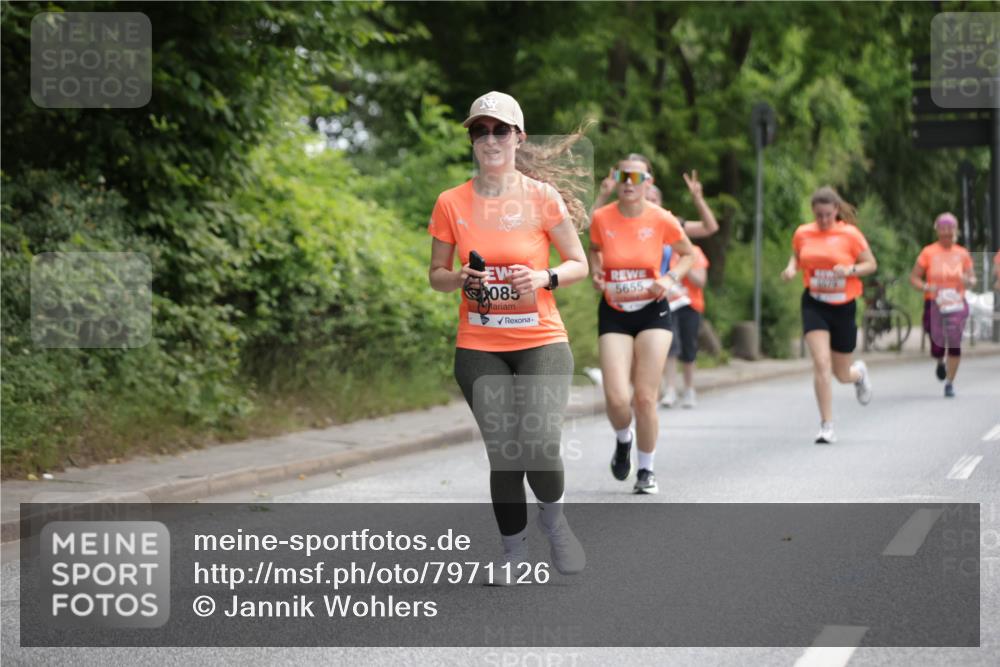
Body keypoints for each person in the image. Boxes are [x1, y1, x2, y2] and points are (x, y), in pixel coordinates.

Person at [428, 91, 590, 579]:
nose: (490, 139)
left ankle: (556, 524)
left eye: (500, 130)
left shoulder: (542, 198)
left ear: (519, 137)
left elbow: (579, 263)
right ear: (473, 139)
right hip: (479, 345)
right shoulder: (451, 202)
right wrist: (460, 279)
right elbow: (436, 273)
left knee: (538, 444)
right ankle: (514, 552)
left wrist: (545, 278)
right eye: (481, 130)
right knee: (505, 453)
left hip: (541, 339)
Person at [590, 153, 696, 493]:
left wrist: (669, 278)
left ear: (647, 182)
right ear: (617, 179)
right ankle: (624, 439)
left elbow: (689, 253)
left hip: (653, 311)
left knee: (645, 398)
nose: (629, 184)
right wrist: (595, 269)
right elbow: (593, 248)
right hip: (614, 311)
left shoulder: (661, 218)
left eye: (636, 178)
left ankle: (646, 470)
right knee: (617, 397)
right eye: (623, 176)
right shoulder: (602, 218)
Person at [780, 186, 877, 444]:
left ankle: (859, 374)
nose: (823, 220)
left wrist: (850, 269)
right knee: (821, 362)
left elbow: (871, 264)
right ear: (813, 211)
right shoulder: (803, 233)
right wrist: (791, 270)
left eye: (828, 215)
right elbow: (797, 257)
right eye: (819, 215)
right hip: (815, 303)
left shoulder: (850, 234)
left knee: (842, 374)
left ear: (836, 210)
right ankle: (827, 426)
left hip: (843, 305)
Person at [909, 212, 976, 398]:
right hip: (934, 302)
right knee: (937, 344)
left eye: (950, 228)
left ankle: (949, 383)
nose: (946, 232)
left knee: (954, 342)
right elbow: (913, 278)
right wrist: (925, 286)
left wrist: (967, 280)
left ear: (956, 231)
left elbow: (972, 279)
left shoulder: (962, 253)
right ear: (937, 230)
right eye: (943, 228)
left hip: (956, 303)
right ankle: (940, 360)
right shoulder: (928, 252)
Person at [662, 243, 710, 408]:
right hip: (668, 304)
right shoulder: (664, 251)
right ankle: (670, 390)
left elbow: (701, 281)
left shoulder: (695, 251)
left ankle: (689, 390)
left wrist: (685, 266)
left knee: (689, 347)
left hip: (690, 305)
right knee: (670, 347)